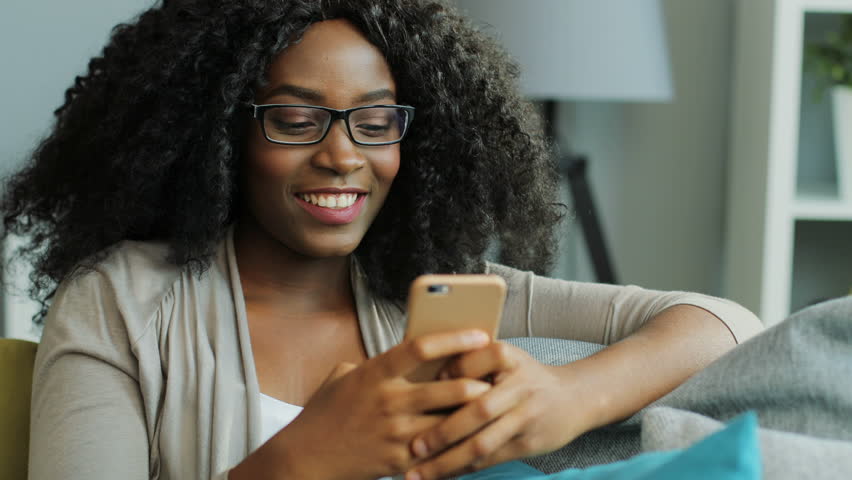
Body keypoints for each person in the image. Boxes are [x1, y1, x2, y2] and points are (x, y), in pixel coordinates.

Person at [2, 1, 763, 479]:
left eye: (375, 122)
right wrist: (302, 461)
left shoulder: (435, 289)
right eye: (297, 120)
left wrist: (567, 398)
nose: (343, 155)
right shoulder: (120, 303)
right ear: (221, 135)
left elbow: (726, 327)